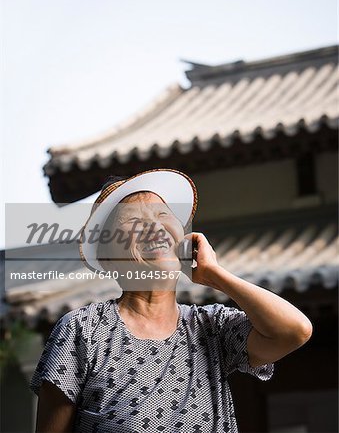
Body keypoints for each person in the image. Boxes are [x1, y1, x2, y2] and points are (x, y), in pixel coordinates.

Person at [30, 168, 313, 433]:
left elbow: (294, 331)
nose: (155, 228)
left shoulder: (211, 327)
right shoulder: (84, 329)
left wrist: (216, 275)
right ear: (108, 256)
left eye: (163, 215)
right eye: (134, 221)